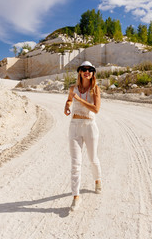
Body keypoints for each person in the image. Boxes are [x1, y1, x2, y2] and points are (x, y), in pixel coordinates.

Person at [64, 61, 102, 211]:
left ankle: (98, 180)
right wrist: (67, 105)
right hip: (74, 126)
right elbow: (68, 99)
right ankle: (76, 197)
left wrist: (78, 99)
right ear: (80, 72)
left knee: (93, 159)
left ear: (93, 73)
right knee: (75, 163)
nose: (87, 71)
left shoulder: (95, 89)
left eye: (90, 70)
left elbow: (96, 109)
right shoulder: (73, 88)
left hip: (90, 127)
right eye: (84, 69)